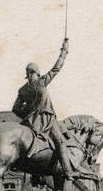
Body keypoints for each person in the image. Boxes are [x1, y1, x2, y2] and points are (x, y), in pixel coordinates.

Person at [11, 36, 77, 180]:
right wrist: (64, 50)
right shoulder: (41, 82)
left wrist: (29, 113)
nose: (31, 75)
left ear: (31, 73)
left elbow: (15, 109)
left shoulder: (23, 89)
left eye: (30, 73)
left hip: (32, 122)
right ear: (36, 73)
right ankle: (67, 171)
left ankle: (36, 174)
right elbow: (56, 68)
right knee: (59, 142)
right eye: (31, 73)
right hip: (47, 120)